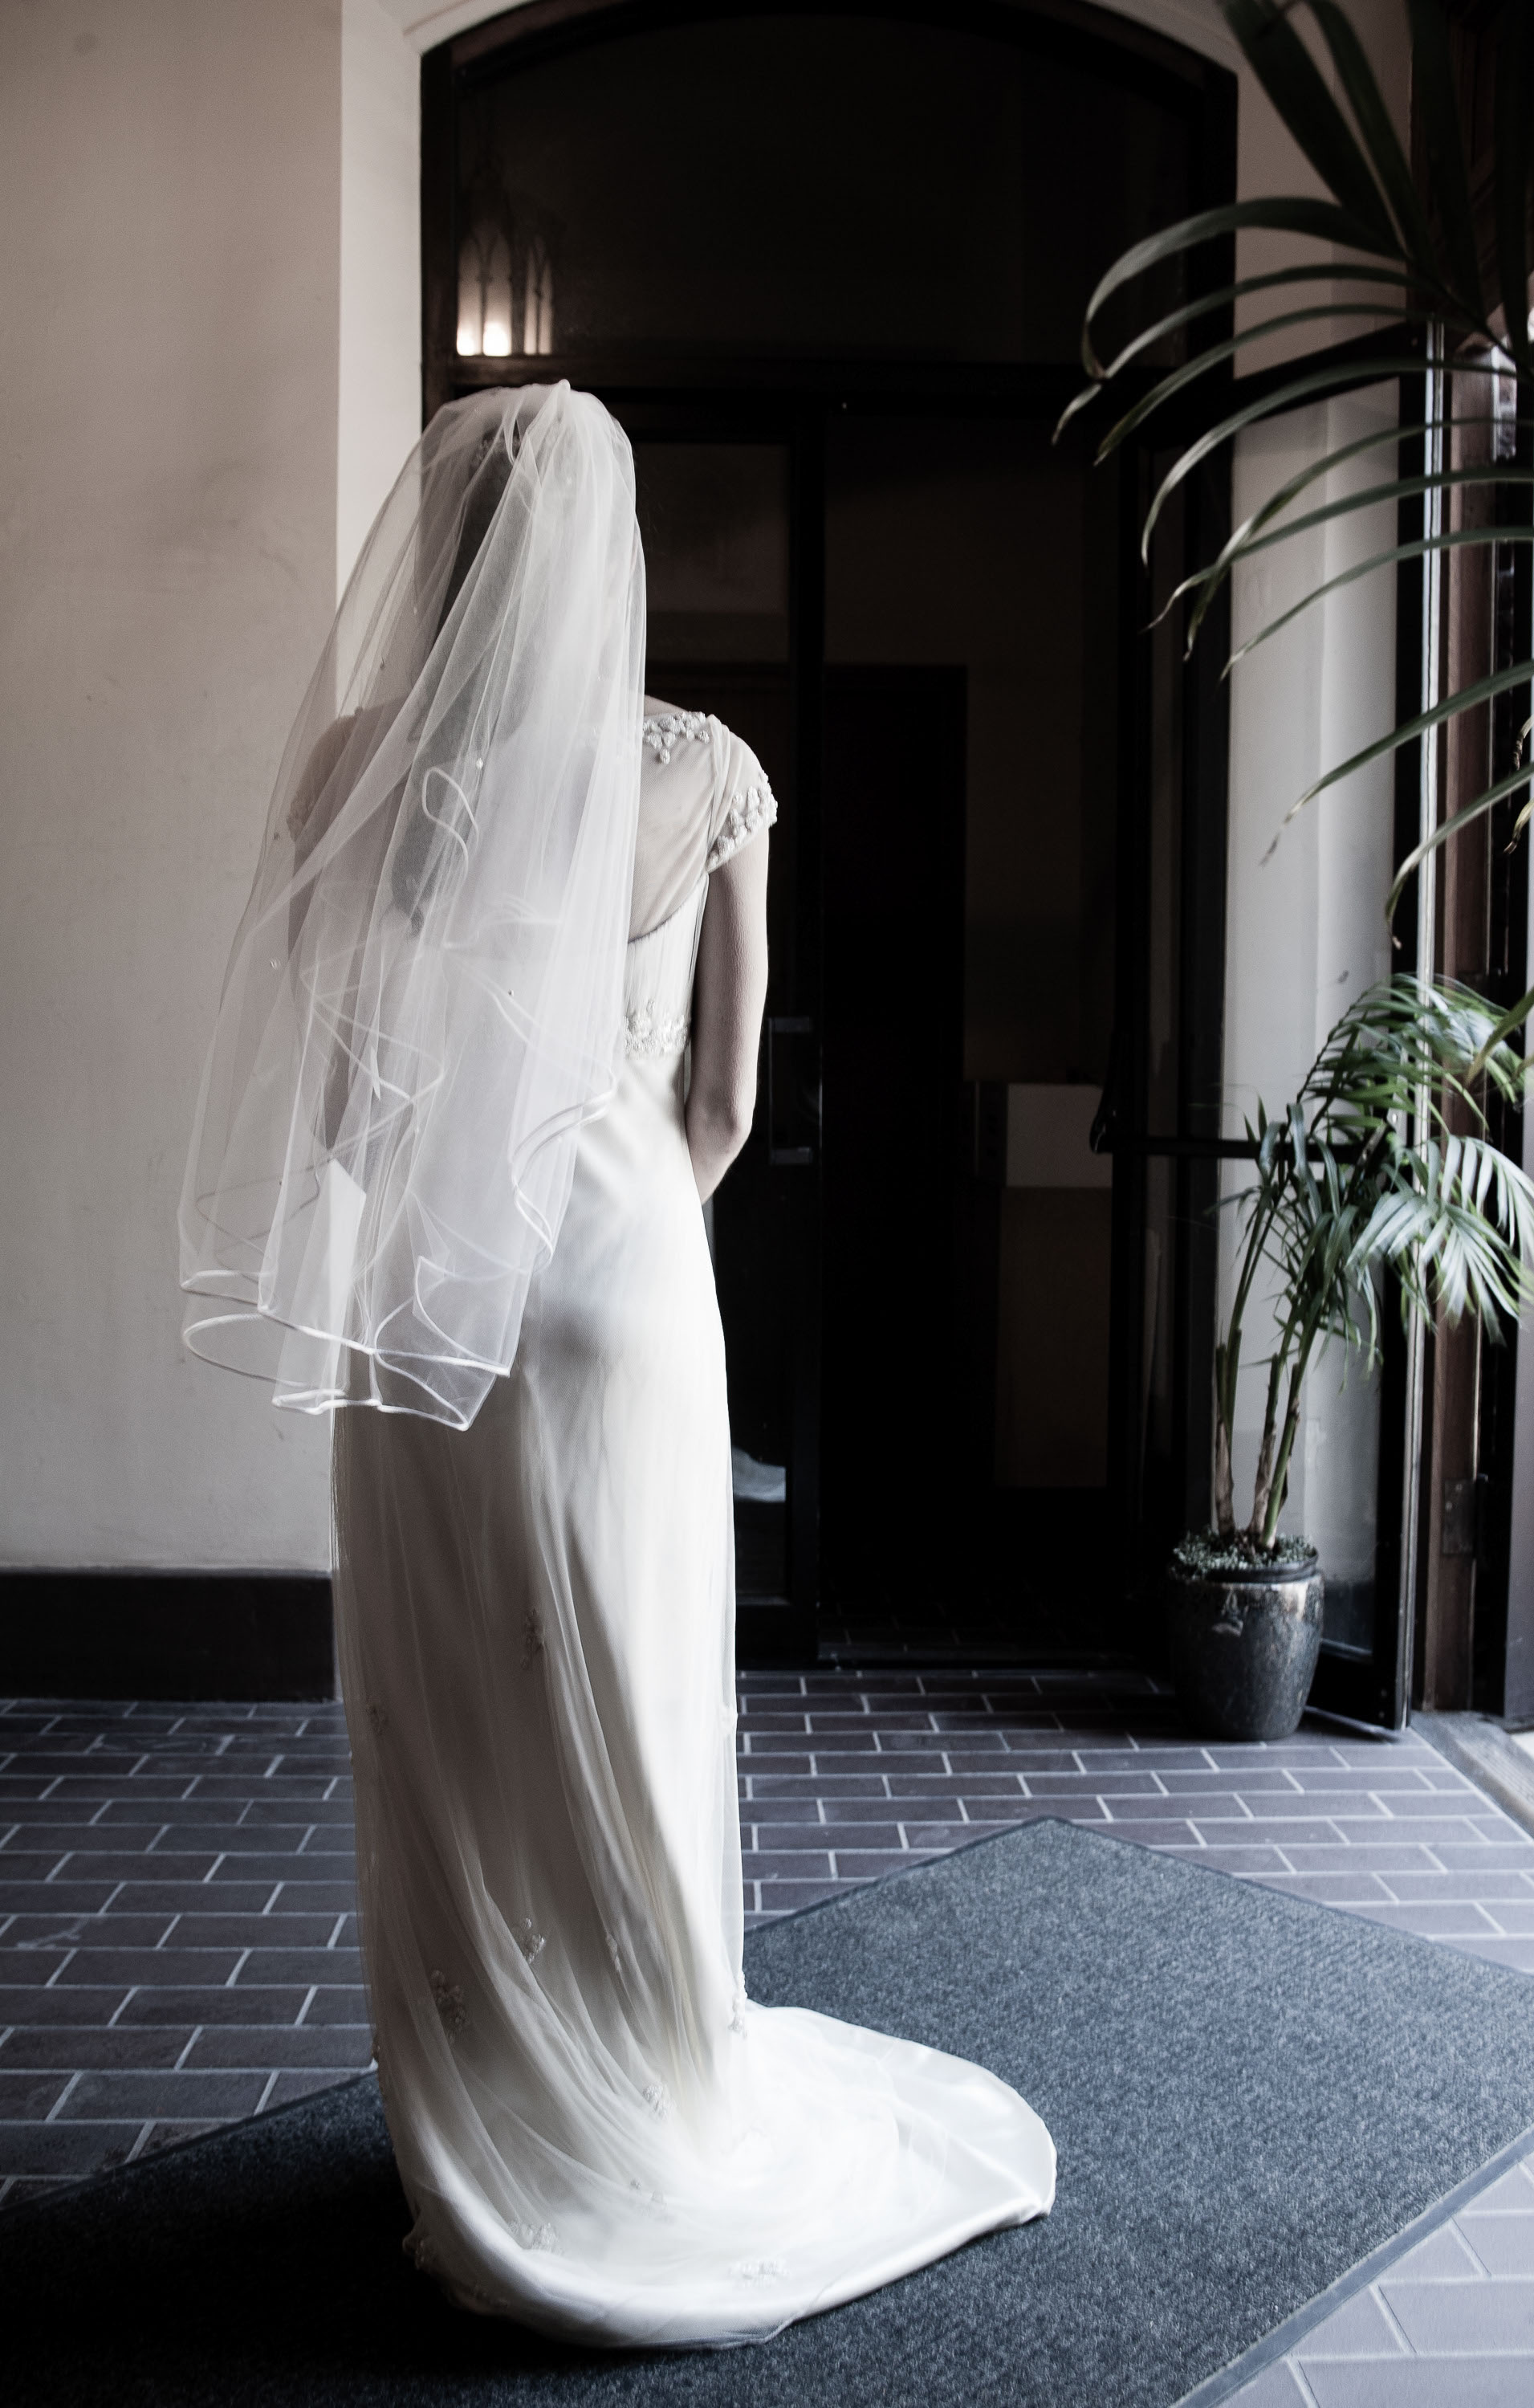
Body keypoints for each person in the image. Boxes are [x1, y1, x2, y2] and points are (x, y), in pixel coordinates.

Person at [181, 381, 1054, 2348]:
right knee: (633, 1682)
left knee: (451, 1701)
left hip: (432, 1299)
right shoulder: (711, 776)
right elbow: (728, 1100)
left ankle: (483, 2110)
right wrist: (626, 1214)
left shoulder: (353, 769)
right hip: (627, 1280)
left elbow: (342, 1113)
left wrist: (455, 1206)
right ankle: (650, 2076)